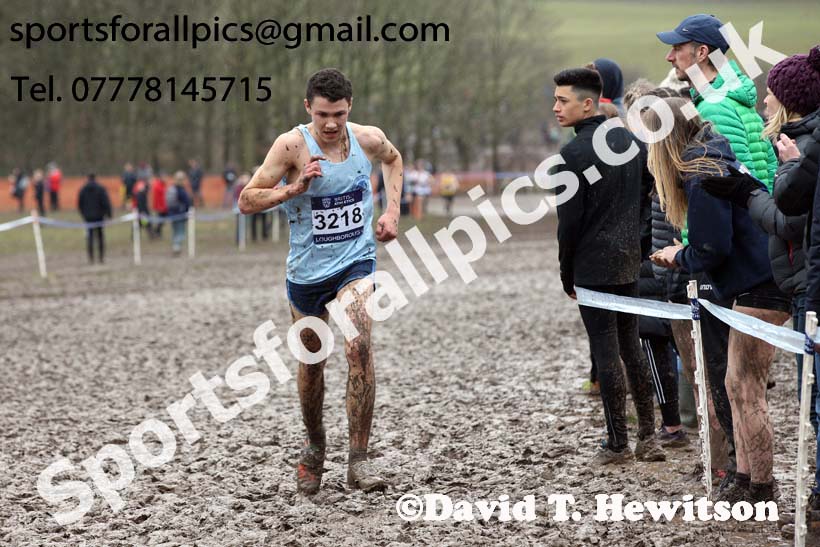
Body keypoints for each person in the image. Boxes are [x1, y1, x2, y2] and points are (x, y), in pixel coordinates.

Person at [238, 68, 402, 494]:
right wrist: (292, 190)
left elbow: (394, 159)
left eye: (340, 114)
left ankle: (359, 459)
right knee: (312, 364)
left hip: (356, 262)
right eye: (324, 114)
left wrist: (391, 213)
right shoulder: (292, 145)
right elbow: (247, 199)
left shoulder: (366, 139)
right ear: (308, 107)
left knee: (359, 344)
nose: (331, 124)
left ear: (351, 109)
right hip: (306, 275)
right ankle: (314, 448)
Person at [650, 97, 791, 504]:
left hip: (761, 282)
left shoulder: (701, 173)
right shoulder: (713, 158)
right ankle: (745, 478)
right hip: (756, 278)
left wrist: (680, 257)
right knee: (735, 385)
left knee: (747, 389)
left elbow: (712, 248)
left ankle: (761, 486)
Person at [701, 46, 820, 437]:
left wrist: (746, 192)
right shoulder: (791, 141)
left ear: (789, 103)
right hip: (795, 278)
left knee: (812, 398)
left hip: (801, 280)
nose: (764, 99)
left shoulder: (801, 150)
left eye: (772, 93)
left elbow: (788, 221)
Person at [552, 67, 665, 464]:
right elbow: (645, 200)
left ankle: (617, 443)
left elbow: (569, 226)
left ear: (588, 103)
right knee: (632, 348)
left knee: (606, 351)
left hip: (592, 266)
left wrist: (566, 273)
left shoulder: (572, 155)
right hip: (628, 260)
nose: (555, 107)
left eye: (562, 100)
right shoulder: (633, 142)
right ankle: (648, 438)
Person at [78, 173, 112, 264]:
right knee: (100, 237)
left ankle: (91, 258)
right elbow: (106, 202)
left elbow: (79, 204)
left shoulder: (83, 189)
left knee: (90, 237)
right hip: (99, 217)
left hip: (88, 217)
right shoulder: (100, 188)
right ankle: (101, 257)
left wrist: (84, 214)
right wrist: (108, 214)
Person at [166, 171, 192, 256]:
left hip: (172, 214)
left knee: (175, 231)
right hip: (180, 214)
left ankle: (175, 246)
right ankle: (176, 247)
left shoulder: (171, 188)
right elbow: (187, 202)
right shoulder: (181, 190)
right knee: (180, 232)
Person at [149, 173, 168, 239]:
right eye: (164, 177)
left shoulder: (163, 185)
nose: (165, 178)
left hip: (164, 206)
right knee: (160, 221)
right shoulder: (157, 186)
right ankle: (157, 233)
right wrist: (158, 207)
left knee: (162, 221)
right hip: (160, 207)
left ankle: (157, 233)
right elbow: (157, 198)